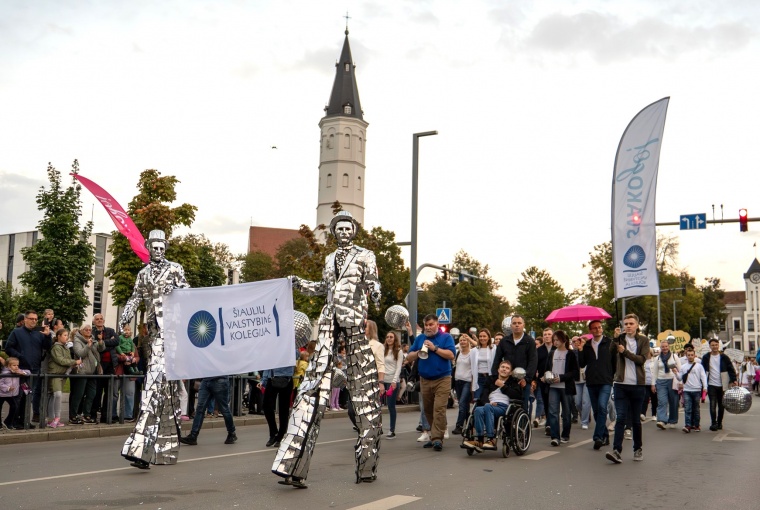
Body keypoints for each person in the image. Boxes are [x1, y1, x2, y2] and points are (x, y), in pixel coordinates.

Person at [272, 210, 382, 488]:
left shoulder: (366, 255)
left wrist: (375, 292)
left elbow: (372, 280)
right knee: (311, 387)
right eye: (339, 229)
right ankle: (292, 466)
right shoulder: (330, 258)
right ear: (333, 233)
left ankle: (367, 466)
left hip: (354, 324)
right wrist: (299, 283)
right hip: (330, 323)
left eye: (348, 228)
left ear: (354, 231)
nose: (344, 233)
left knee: (365, 391)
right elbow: (324, 287)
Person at [119, 230, 190, 470]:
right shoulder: (143, 274)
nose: (158, 251)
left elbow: (189, 294)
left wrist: (176, 292)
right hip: (154, 333)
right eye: (155, 247)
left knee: (152, 384)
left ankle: (139, 447)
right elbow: (135, 298)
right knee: (166, 390)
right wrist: (125, 316)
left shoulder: (175, 269)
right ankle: (164, 450)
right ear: (148, 247)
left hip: (172, 333)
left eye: (162, 247)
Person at [406, 314, 456, 451]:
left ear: (437, 325)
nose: (428, 327)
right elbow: (409, 357)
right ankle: (434, 435)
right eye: (426, 325)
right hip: (425, 379)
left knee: (439, 408)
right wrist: (419, 351)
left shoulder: (446, 337)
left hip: (443, 378)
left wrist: (435, 348)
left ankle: (437, 439)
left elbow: (451, 355)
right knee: (428, 409)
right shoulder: (420, 338)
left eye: (431, 324)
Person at [605, 314, 649, 464]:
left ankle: (638, 449)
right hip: (621, 384)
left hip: (638, 385)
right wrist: (615, 338)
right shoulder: (620, 339)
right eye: (626, 324)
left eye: (631, 323)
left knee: (636, 420)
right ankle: (616, 450)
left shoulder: (643, 340)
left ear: (637, 325)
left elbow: (641, 359)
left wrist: (625, 352)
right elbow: (610, 353)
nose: (628, 326)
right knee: (621, 418)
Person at [4, 310, 52, 428]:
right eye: (31, 319)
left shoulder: (39, 333)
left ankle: (24, 420)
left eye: (36, 319)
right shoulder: (17, 332)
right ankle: (14, 421)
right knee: (19, 397)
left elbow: (47, 347)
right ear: (25, 319)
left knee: (28, 396)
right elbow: (8, 348)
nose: (34, 321)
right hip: (20, 371)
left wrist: (48, 336)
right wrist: (20, 357)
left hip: (34, 370)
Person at [463, 360, 523, 452]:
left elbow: (517, 396)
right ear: (498, 369)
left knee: (487, 407)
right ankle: (480, 440)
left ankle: (491, 439)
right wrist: (488, 402)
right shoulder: (491, 380)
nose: (504, 369)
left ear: (510, 372)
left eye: (507, 368)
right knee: (478, 409)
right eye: (502, 367)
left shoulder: (513, 382)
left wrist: (503, 386)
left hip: (504, 407)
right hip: (489, 404)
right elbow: (484, 394)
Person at [578, 320, 614, 450]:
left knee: (602, 406)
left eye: (599, 327)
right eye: (594, 328)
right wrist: (580, 350)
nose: (598, 329)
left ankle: (597, 437)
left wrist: (611, 375)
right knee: (597, 411)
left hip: (605, 381)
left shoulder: (609, 343)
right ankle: (605, 436)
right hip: (592, 381)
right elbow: (582, 363)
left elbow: (615, 361)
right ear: (590, 331)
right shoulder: (587, 345)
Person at [491, 314, 537, 411]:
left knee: (523, 407)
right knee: (507, 406)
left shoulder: (529, 341)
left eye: (519, 323)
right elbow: (497, 359)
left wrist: (527, 379)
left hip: (523, 381)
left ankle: (525, 420)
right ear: (511, 325)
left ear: (523, 325)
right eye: (514, 323)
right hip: (508, 379)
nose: (517, 325)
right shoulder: (504, 341)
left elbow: (533, 361)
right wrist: (495, 376)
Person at [179, 376, 237, 446]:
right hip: (206, 380)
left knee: (224, 409)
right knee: (200, 408)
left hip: (219, 379)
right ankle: (193, 436)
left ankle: (231, 433)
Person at [545, 330, 578, 446]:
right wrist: (546, 377)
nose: (555, 342)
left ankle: (565, 435)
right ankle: (555, 437)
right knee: (553, 412)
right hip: (553, 386)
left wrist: (561, 378)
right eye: (554, 340)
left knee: (566, 413)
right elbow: (547, 368)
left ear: (564, 340)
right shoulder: (552, 353)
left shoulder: (570, 354)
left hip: (566, 387)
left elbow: (575, 372)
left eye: (557, 340)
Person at [46, 328, 81, 428]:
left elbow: (66, 360)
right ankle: (54, 418)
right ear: (58, 336)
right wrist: (74, 362)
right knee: (56, 395)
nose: (67, 337)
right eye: (65, 335)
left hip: (63, 374)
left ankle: (54, 419)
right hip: (55, 374)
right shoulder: (56, 347)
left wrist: (72, 364)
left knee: (54, 395)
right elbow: (60, 360)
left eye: (67, 335)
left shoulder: (65, 348)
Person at [701, 338, 738, 431]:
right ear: (710, 346)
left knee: (721, 405)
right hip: (711, 384)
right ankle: (713, 423)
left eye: (716, 345)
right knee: (712, 404)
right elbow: (701, 370)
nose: (715, 347)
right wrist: (702, 382)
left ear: (718, 346)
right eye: (712, 345)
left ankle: (719, 422)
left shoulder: (724, 357)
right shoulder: (706, 357)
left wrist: (734, 380)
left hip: (723, 384)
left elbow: (730, 369)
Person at [90, 313, 119, 423]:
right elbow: (96, 347)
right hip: (99, 365)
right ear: (94, 322)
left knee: (108, 392)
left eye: (101, 319)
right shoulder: (92, 332)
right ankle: (93, 415)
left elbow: (116, 341)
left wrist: (103, 342)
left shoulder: (110, 331)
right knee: (97, 392)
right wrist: (106, 343)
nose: (99, 320)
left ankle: (105, 416)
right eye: (97, 319)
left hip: (110, 365)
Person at [652, 338, 681, 429]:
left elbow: (680, 370)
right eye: (663, 347)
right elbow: (654, 372)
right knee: (662, 401)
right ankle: (662, 420)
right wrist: (653, 384)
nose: (664, 348)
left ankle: (673, 420)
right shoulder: (657, 358)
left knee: (674, 401)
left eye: (666, 346)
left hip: (672, 381)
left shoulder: (674, 356)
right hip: (661, 381)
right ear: (660, 348)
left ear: (669, 347)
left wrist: (680, 382)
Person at [451, 332, 477, 436]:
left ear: (468, 342)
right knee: (465, 405)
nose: (462, 342)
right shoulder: (458, 353)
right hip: (458, 381)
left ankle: (459, 426)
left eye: (464, 340)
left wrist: (472, 385)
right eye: (461, 340)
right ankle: (469, 425)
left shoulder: (472, 353)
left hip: (467, 381)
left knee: (462, 403)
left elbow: (478, 346)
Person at [679, 345, 708, 433]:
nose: (690, 356)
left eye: (692, 355)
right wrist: (675, 373)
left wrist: (705, 387)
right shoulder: (683, 367)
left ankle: (696, 425)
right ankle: (687, 425)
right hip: (687, 390)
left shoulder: (699, 366)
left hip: (697, 390)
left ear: (694, 356)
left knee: (696, 409)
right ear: (686, 356)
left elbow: (703, 377)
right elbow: (679, 377)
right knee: (687, 408)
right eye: (689, 355)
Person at [383, 330, 404, 439]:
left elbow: (398, 367)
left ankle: (392, 430)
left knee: (391, 406)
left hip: (393, 382)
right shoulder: (383, 350)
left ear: (395, 339)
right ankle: (377, 427)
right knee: (377, 406)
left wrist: (394, 381)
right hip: (383, 381)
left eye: (391, 337)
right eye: (387, 337)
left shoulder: (398, 351)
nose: (389, 339)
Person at [0, 357, 31, 429]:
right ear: (8, 366)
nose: (16, 367)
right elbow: (0, 383)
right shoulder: (4, 373)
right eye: (14, 365)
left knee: (14, 407)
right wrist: (7, 388)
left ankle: (8, 422)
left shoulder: (18, 371)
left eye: (17, 365)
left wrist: (22, 372)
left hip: (12, 395)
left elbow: (28, 372)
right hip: (2, 394)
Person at [570, 336, 592, 430]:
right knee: (577, 402)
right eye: (575, 341)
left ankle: (584, 421)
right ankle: (584, 415)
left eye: (581, 342)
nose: (578, 343)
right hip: (577, 380)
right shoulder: (572, 353)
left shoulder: (589, 352)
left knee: (585, 401)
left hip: (587, 380)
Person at [534, 327, 554, 431]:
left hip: (555, 380)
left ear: (553, 336)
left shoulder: (556, 348)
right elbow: (535, 365)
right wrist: (535, 378)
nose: (547, 336)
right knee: (545, 402)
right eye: (545, 334)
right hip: (542, 380)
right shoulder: (539, 350)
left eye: (549, 334)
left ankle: (551, 424)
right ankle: (548, 422)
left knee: (553, 402)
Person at [472, 329, 495, 400]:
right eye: (480, 336)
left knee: (488, 399)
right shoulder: (474, 350)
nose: (482, 338)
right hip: (479, 378)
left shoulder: (493, 348)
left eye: (484, 336)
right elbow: (472, 366)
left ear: (489, 337)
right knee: (477, 398)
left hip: (490, 377)